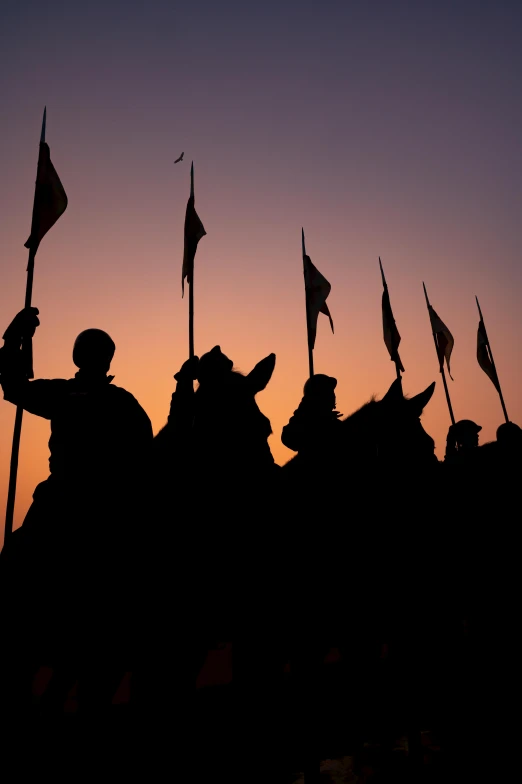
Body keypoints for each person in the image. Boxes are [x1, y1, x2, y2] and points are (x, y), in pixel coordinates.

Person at [0, 306, 154, 716]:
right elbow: (14, 387)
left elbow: (144, 457)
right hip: (68, 500)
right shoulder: (74, 394)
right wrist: (13, 340)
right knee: (14, 565)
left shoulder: (108, 401)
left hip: (94, 505)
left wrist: (13, 340)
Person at [282, 373, 342, 454]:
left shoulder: (334, 424)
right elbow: (289, 438)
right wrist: (305, 413)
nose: (332, 395)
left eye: (331, 391)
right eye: (328, 392)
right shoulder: (305, 422)